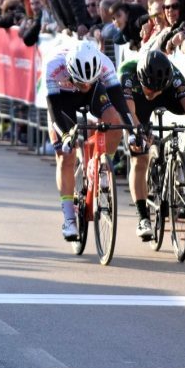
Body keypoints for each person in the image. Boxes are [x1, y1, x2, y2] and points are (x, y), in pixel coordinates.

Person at [44, 40, 136, 240]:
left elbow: (120, 103)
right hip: (63, 99)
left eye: (89, 81)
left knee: (114, 123)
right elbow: (54, 112)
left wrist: (132, 131)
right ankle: (69, 218)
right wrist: (66, 135)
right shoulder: (53, 66)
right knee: (65, 155)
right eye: (81, 81)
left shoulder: (104, 64)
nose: (84, 85)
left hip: (94, 95)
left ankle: (102, 167)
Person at [119, 51, 185, 237]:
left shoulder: (174, 75)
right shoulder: (127, 74)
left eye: (157, 90)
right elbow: (129, 113)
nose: (153, 93)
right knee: (140, 160)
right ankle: (143, 218)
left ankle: (184, 162)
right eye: (150, 89)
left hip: (168, 96)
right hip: (136, 104)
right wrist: (138, 132)